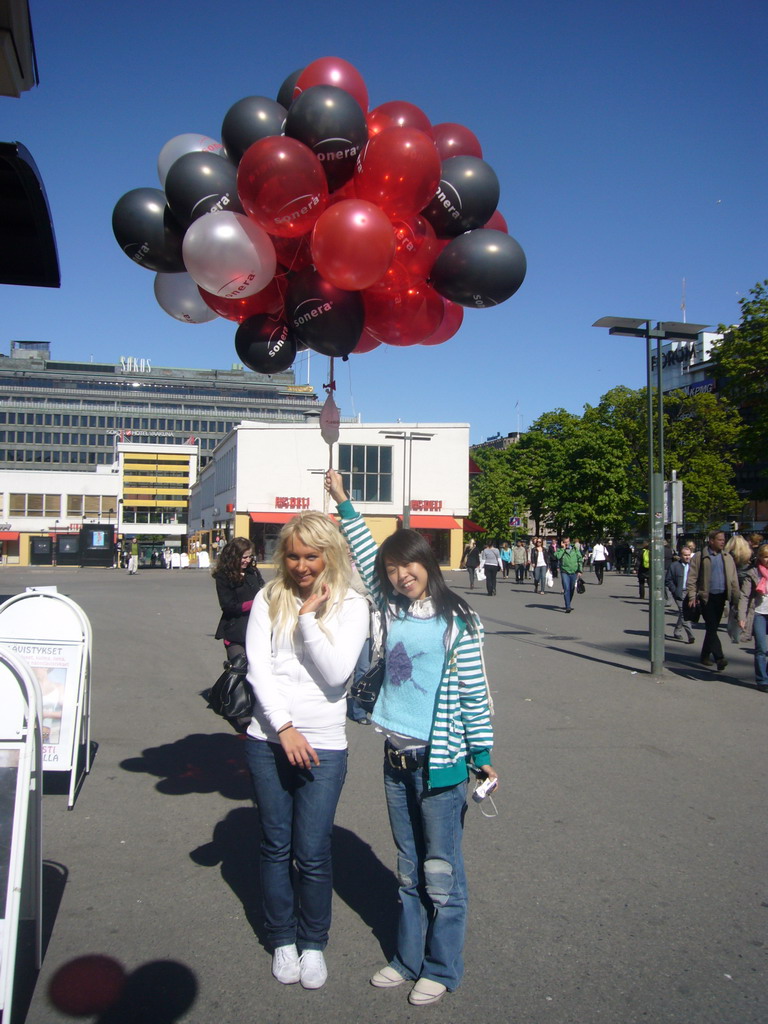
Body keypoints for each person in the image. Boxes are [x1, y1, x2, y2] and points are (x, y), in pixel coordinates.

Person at [325, 469, 496, 1007]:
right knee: (406, 868)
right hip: (395, 758)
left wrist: (483, 754)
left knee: (440, 870)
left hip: (439, 759)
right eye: (393, 569)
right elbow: (362, 547)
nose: (402, 576)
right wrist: (345, 502)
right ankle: (406, 958)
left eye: (410, 565)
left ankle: (442, 968)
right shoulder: (391, 606)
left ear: (429, 562)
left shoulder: (457, 622)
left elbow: (475, 692)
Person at [244, 512, 368, 990]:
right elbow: (260, 669)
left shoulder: (352, 604)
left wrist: (309, 618)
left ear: (329, 554)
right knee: (276, 846)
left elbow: (338, 674)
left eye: (311, 556)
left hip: (325, 745)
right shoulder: (266, 598)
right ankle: (282, 940)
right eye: (292, 556)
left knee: (312, 852)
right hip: (268, 739)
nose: (300, 566)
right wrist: (284, 727)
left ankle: (314, 942)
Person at [686, 529, 739, 672]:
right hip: (706, 597)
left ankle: (704, 655)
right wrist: (692, 595)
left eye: (723, 540)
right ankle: (719, 658)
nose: (723, 542)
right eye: (720, 539)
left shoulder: (727, 557)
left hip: (721, 597)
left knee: (713, 628)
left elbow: (733, 580)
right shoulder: (700, 556)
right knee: (711, 626)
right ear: (711, 541)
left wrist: (736, 599)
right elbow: (692, 578)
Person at [212, 537, 264, 663]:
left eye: (250, 557)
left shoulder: (253, 572)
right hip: (235, 632)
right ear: (233, 557)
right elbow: (228, 606)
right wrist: (255, 603)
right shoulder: (223, 576)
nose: (248, 560)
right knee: (239, 668)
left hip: (256, 629)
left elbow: (263, 591)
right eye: (244, 557)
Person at [738, 542, 768, 692]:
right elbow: (744, 596)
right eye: (765, 557)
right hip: (758, 613)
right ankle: (762, 680)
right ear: (760, 558)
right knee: (761, 648)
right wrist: (741, 616)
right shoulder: (753, 573)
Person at [665, 545, 695, 644]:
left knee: (684, 613)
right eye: (685, 555)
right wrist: (674, 590)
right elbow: (668, 580)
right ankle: (691, 636)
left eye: (689, 555)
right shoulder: (674, 566)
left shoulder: (693, 565)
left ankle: (677, 631)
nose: (687, 557)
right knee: (684, 613)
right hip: (679, 592)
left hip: (690, 592)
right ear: (681, 555)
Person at [555, 536, 583, 613]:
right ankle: (568, 606)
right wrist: (562, 549)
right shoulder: (560, 549)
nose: (566, 543)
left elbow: (580, 559)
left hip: (574, 571)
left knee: (572, 588)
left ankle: (568, 602)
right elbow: (557, 556)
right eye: (565, 542)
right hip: (565, 571)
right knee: (566, 588)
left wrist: (580, 570)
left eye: (567, 542)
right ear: (563, 542)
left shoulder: (575, 549)